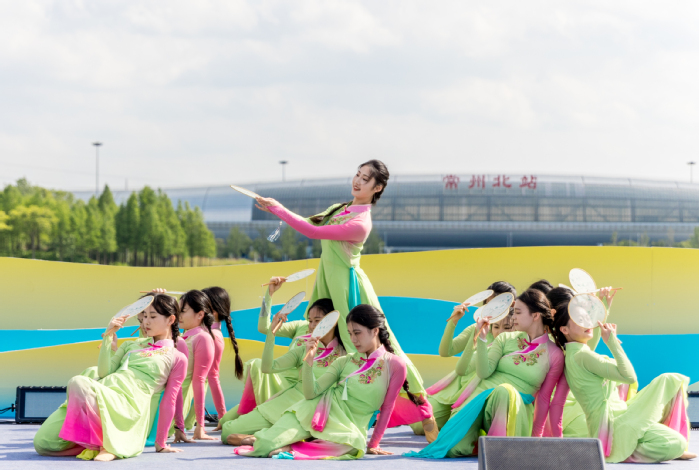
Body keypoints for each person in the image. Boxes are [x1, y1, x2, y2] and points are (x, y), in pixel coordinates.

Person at [254, 160, 434, 434]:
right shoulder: (341, 208)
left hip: (349, 288)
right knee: (320, 338)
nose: (357, 181)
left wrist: (278, 207)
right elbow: (309, 222)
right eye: (357, 175)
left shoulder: (360, 222)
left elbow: (313, 232)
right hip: (328, 280)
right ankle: (313, 405)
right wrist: (273, 208)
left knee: (383, 347)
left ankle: (422, 409)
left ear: (378, 188)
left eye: (366, 179)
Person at [232, 305, 414, 459]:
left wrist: (373, 444)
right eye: (350, 333)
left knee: (354, 444)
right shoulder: (344, 361)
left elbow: (387, 407)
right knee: (264, 447)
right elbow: (311, 393)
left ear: (375, 331)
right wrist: (309, 362)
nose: (353, 339)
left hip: (347, 427)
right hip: (317, 412)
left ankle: (292, 446)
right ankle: (265, 439)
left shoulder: (395, 365)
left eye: (357, 333)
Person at [405, 289, 565, 459]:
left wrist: (536, 439)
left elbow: (543, 400)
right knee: (452, 449)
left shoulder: (555, 354)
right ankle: (480, 441)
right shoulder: (505, 339)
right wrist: (481, 339)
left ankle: (497, 449)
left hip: (513, 408)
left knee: (504, 391)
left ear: (535, 316)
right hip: (480, 399)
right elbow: (483, 372)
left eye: (518, 312)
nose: (513, 317)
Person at [33, 294, 187, 461]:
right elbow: (104, 372)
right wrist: (108, 337)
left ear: (171, 319)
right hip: (105, 393)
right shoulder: (130, 344)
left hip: (129, 407)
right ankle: (94, 441)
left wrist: (161, 443)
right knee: (43, 443)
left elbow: (169, 402)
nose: (146, 322)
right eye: (144, 316)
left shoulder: (177, 357)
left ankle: (107, 446)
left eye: (153, 316)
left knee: (78, 382)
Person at [551, 296, 695, 463]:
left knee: (669, 380)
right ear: (564, 330)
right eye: (579, 320)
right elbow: (629, 377)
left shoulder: (575, 354)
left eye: (587, 318)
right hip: (612, 424)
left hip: (618, 415)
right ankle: (623, 450)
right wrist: (612, 343)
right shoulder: (582, 356)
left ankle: (630, 445)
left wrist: (605, 311)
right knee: (675, 442)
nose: (587, 323)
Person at [222, 298, 345, 445]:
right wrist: (271, 333)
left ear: (332, 321)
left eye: (317, 321)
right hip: (288, 396)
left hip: (316, 409)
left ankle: (263, 437)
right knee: (227, 431)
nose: (312, 326)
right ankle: (269, 435)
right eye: (310, 321)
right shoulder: (302, 346)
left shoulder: (346, 352)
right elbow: (267, 367)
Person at [411, 281, 516, 439]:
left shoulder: (517, 336)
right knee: (418, 425)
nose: (492, 310)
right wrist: (453, 321)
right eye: (488, 304)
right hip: (455, 390)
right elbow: (445, 351)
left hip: (478, 395)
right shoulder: (476, 328)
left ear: (511, 305)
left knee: (458, 431)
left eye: (497, 304)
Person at [216, 276, 308, 430]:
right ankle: (250, 415)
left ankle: (251, 417)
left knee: (230, 425)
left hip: (295, 390)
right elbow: (264, 328)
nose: (313, 323)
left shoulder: (333, 336)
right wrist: (269, 295)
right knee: (225, 421)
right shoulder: (302, 326)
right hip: (276, 380)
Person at [172, 290, 216, 442]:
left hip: (174, 406)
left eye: (183, 311)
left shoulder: (202, 338)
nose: (179, 315)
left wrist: (200, 426)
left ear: (200, 314)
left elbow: (199, 382)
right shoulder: (181, 337)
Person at [201, 286, 244, 422]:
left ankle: (222, 417)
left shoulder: (211, 335)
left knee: (210, 377)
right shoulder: (208, 332)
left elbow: (213, 376)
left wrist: (222, 416)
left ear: (213, 311)